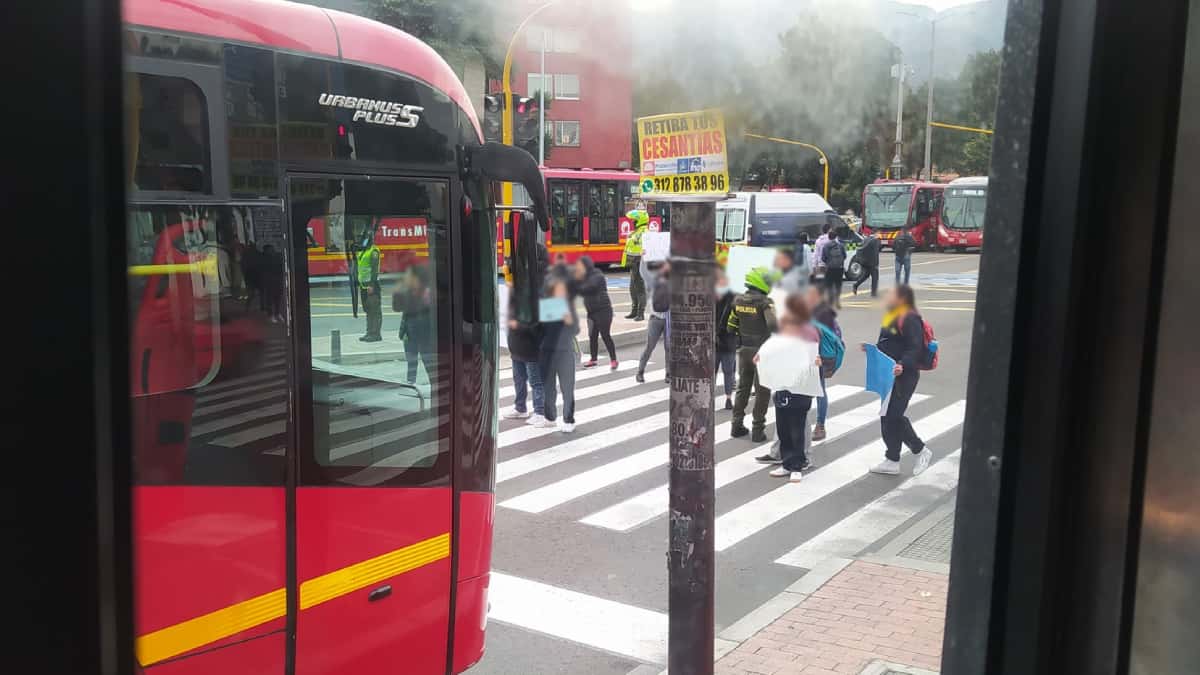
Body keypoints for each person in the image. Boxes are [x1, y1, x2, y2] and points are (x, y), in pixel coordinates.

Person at [868, 284, 934, 475]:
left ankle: (920, 450)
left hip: (903, 375)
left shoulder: (910, 317)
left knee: (894, 416)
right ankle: (892, 459)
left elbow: (915, 348)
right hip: (889, 373)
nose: (888, 296)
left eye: (892, 294)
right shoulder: (892, 314)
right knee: (886, 416)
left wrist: (902, 364)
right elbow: (888, 341)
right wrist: (874, 350)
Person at [762, 294, 823, 482]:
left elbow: (813, 356)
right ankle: (787, 463)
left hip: (801, 386)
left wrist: (817, 362)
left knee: (796, 426)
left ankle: (797, 465)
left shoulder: (809, 332)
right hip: (783, 384)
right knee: (783, 427)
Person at [728, 267, 777, 442]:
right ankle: (758, 430)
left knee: (743, 388)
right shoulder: (765, 303)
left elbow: (730, 326)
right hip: (762, 353)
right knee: (762, 391)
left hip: (743, 351)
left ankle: (736, 425)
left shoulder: (738, 300)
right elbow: (773, 325)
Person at [538, 276, 579, 433]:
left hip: (565, 352)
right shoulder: (546, 306)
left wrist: (568, 321)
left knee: (567, 388)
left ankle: (569, 420)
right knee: (548, 387)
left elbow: (575, 330)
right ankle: (550, 418)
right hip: (547, 353)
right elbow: (539, 330)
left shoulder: (568, 307)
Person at [502, 280, 545, 423]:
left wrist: (518, 325)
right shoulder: (516, 304)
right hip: (516, 350)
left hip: (531, 351)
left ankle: (540, 411)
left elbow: (537, 327)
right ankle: (520, 407)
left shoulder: (537, 303)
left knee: (535, 382)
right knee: (519, 380)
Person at [805, 285, 840, 441]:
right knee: (819, 389)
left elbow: (813, 339)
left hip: (818, 357)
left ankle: (819, 426)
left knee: (813, 390)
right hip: (828, 357)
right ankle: (819, 424)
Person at [572, 256, 618, 370]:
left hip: (603, 310)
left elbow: (589, 288)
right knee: (592, 336)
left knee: (605, 335)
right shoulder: (584, 277)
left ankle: (613, 359)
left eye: (580, 266)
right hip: (591, 312)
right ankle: (593, 359)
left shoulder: (597, 275)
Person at [394, 266, 435, 385]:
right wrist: (402, 333)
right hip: (410, 336)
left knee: (428, 362)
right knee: (411, 363)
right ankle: (411, 385)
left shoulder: (427, 294)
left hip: (424, 336)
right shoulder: (407, 292)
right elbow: (401, 313)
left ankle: (435, 384)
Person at [636, 258, 670, 383]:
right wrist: (643, 259)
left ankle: (668, 374)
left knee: (669, 348)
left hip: (669, 319)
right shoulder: (653, 282)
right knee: (650, 346)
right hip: (655, 319)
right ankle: (640, 371)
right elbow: (643, 272)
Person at [714, 269, 737, 410]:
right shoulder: (733, 298)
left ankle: (728, 398)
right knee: (724, 371)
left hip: (722, 339)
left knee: (725, 371)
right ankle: (728, 398)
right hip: (726, 339)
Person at [354, 229, 383, 342]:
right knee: (368, 310)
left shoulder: (374, 251)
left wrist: (372, 285)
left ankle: (376, 334)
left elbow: (375, 270)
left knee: (374, 310)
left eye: (364, 237)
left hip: (372, 286)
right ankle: (369, 332)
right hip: (363, 286)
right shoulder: (362, 250)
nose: (361, 239)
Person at [621, 210, 650, 320]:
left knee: (640, 289)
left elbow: (646, 248)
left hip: (639, 263)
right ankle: (634, 311)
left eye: (634, 220)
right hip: (633, 263)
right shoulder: (636, 232)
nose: (632, 222)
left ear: (640, 221)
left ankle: (640, 313)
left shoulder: (645, 233)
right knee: (632, 289)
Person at [820, 229, 846, 309]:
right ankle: (837, 300)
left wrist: (828, 262)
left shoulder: (826, 246)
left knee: (829, 285)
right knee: (838, 285)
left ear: (829, 237)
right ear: (836, 237)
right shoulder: (841, 245)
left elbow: (823, 258)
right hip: (839, 268)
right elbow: (844, 256)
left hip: (830, 268)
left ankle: (830, 302)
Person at [853, 231, 882, 297]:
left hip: (865, 262)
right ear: (876, 234)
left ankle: (856, 285)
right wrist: (876, 264)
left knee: (866, 275)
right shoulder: (875, 241)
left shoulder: (866, 239)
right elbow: (875, 253)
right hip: (872, 262)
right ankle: (873, 293)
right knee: (875, 278)